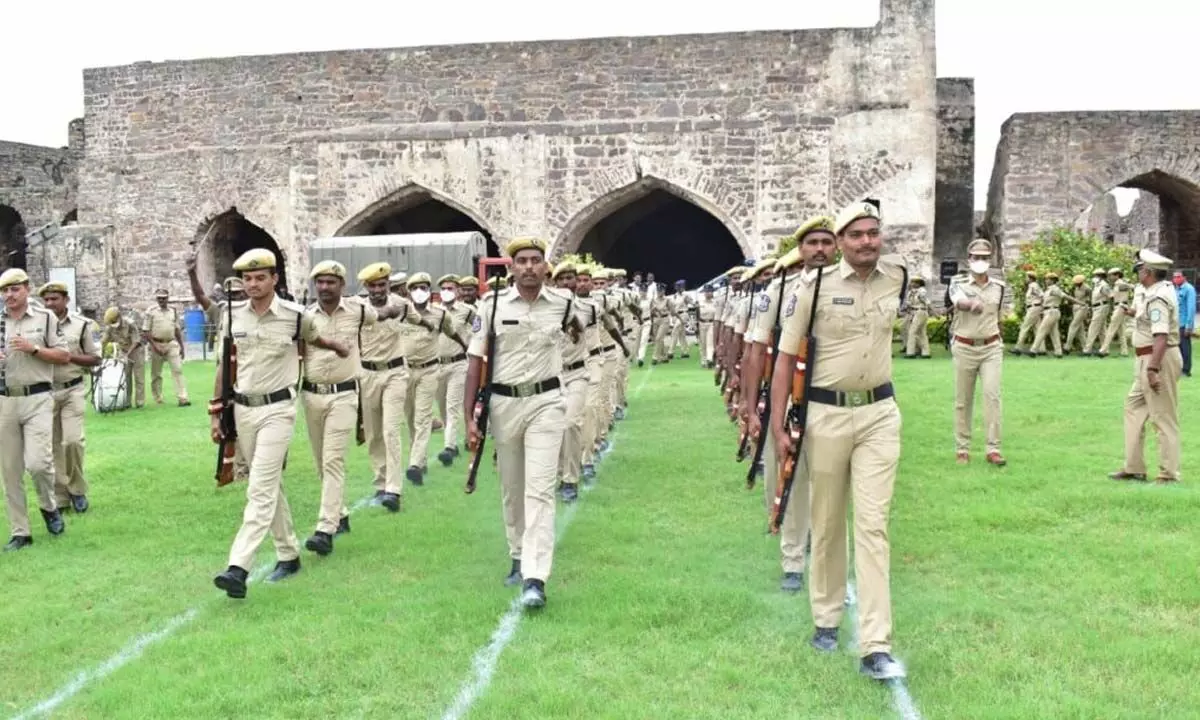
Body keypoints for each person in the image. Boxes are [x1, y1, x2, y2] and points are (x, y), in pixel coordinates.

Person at [769, 201, 908, 680]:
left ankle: (875, 643)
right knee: (826, 524)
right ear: (842, 241)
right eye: (857, 235)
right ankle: (826, 617)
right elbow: (785, 358)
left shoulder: (898, 278)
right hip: (825, 416)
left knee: (873, 526)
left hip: (879, 415)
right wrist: (779, 426)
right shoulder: (814, 287)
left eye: (874, 233)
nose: (868, 241)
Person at [211, 249, 350, 599]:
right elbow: (225, 366)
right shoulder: (232, 316)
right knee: (268, 482)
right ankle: (288, 554)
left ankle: (238, 566)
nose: (253, 284)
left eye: (260, 278)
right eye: (247, 278)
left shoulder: (294, 316)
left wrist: (335, 345)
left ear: (275, 279)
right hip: (243, 410)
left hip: (278, 409)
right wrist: (216, 413)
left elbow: (315, 337)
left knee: (259, 486)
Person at [464, 236, 581, 609]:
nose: (529, 267)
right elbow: (475, 361)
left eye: (536, 260)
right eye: (522, 261)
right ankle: (517, 552)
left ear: (546, 266)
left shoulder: (563, 305)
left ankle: (535, 576)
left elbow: (576, 331)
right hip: (503, 404)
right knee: (512, 487)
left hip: (547, 402)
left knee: (540, 491)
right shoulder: (492, 305)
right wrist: (470, 417)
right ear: (511, 267)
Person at [0, 268, 71, 551]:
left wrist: (34, 349)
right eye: (4, 291)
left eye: (14, 289)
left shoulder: (45, 318)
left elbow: (64, 356)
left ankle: (49, 506)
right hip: (5, 400)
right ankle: (21, 532)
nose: (9, 295)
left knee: (39, 464)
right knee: (10, 470)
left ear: (27, 289)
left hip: (38, 398)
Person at [1110, 250, 1182, 484]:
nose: (1138, 272)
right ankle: (1134, 467)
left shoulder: (1158, 298)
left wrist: (1152, 370)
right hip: (1146, 358)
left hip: (1157, 359)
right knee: (1133, 407)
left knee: (1163, 417)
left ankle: (1169, 474)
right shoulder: (1152, 292)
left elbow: (1160, 336)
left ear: (1148, 272)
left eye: (1141, 269)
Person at [38, 282, 101, 513]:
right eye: (46, 300)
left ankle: (77, 490)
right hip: (45, 391)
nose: (50, 304)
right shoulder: (37, 326)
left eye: (54, 298)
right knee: (52, 446)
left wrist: (68, 357)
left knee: (72, 441)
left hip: (73, 389)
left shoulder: (81, 325)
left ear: (66, 299)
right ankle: (61, 497)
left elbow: (95, 359)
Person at [947, 240, 1007, 466]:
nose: (980, 261)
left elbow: (997, 316)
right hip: (964, 346)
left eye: (984, 257)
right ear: (968, 259)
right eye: (976, 257)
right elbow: (958, 300)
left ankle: (993, 449)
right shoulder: (957, 282)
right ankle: (962, 448)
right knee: (963, 400)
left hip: (991, 347)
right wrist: (970, 304)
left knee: (992, 397)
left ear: (990, 260)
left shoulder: (999, 287)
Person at [142, 288, 190, 406]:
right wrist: (155, 346)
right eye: (159, 298)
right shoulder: (151, 311)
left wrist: (182, 346)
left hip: (171, 343)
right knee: (156, 374)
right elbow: (146, 331)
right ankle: (158, 397)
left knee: (177, 370)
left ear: (168, 298)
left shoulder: (173, 311)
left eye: (164, 298)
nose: (162, 300)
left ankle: (183, 398)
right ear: (156, 299)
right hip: (156, 343)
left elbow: (177, 329)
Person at [1173, 271, 1195, 377]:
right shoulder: (1176, 289)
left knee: (1185, 348)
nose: (1176, 279)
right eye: (1174, 277)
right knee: (1177, 348)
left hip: (1184, 324)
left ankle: (1186, 370)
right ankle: (1179, 368)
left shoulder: (1189, 289)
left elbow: (1191, 309)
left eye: (1178, 277)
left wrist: (1188, 326)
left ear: (1184, 277)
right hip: (1176, 323)